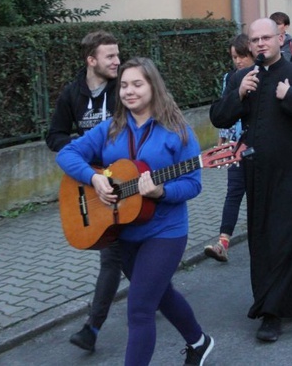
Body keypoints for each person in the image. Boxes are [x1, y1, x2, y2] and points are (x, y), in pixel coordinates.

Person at [56, 57, 214, 366]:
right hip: (122, 230)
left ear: (153, 86)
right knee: (161, 294)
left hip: (165, 232)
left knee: (140, 307)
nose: (129, 91)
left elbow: (193, 185)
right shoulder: (111, 128)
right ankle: (200, 341)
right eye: (124, 85)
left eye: (137, 84)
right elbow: (67, 153)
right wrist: (95, 178)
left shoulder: (178, 131)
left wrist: (162, 191)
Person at [209, 18, 292, 342]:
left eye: (267, 37)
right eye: (255, 39)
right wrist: (238, 92)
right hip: (256, 174)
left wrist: (291, 97)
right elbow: (219, 116)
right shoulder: (241, 77)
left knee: (286, 237)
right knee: (263, 240)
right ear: (249, 44)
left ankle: (271, 313)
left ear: (281, 38)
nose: (261, 44)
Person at [45, 30, 121, 353]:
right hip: (92, 182)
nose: (118, 61)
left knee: (126, 251)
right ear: (91, 60)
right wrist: (78, 151)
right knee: (114, 255)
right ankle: (91, 329)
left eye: (118, 55)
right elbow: (55, 135)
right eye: (110, 56)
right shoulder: (72, 94)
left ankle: (157, 292)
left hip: (128, 178)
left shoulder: (125, 88)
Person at [204, 34, 253, 262]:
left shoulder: (262, 77)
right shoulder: (230, 78)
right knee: (234, 190)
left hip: (256, 148)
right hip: (236, 145)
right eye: (234, 57)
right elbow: (225, 106)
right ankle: (223, 242)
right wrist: (223, 138)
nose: (238, 61)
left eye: (242, 56)